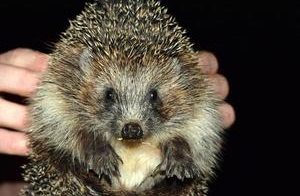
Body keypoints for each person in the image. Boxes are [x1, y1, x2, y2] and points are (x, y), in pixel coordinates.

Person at [0, 48, 235, 195]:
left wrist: (180, 151)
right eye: (110, 96)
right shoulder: (65, 90)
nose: (132, 123)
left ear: (177, 77)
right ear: (84, 71)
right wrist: (88, 143)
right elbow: (51, 137)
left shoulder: (189, 103)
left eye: (153, 97)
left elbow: (201, 157)